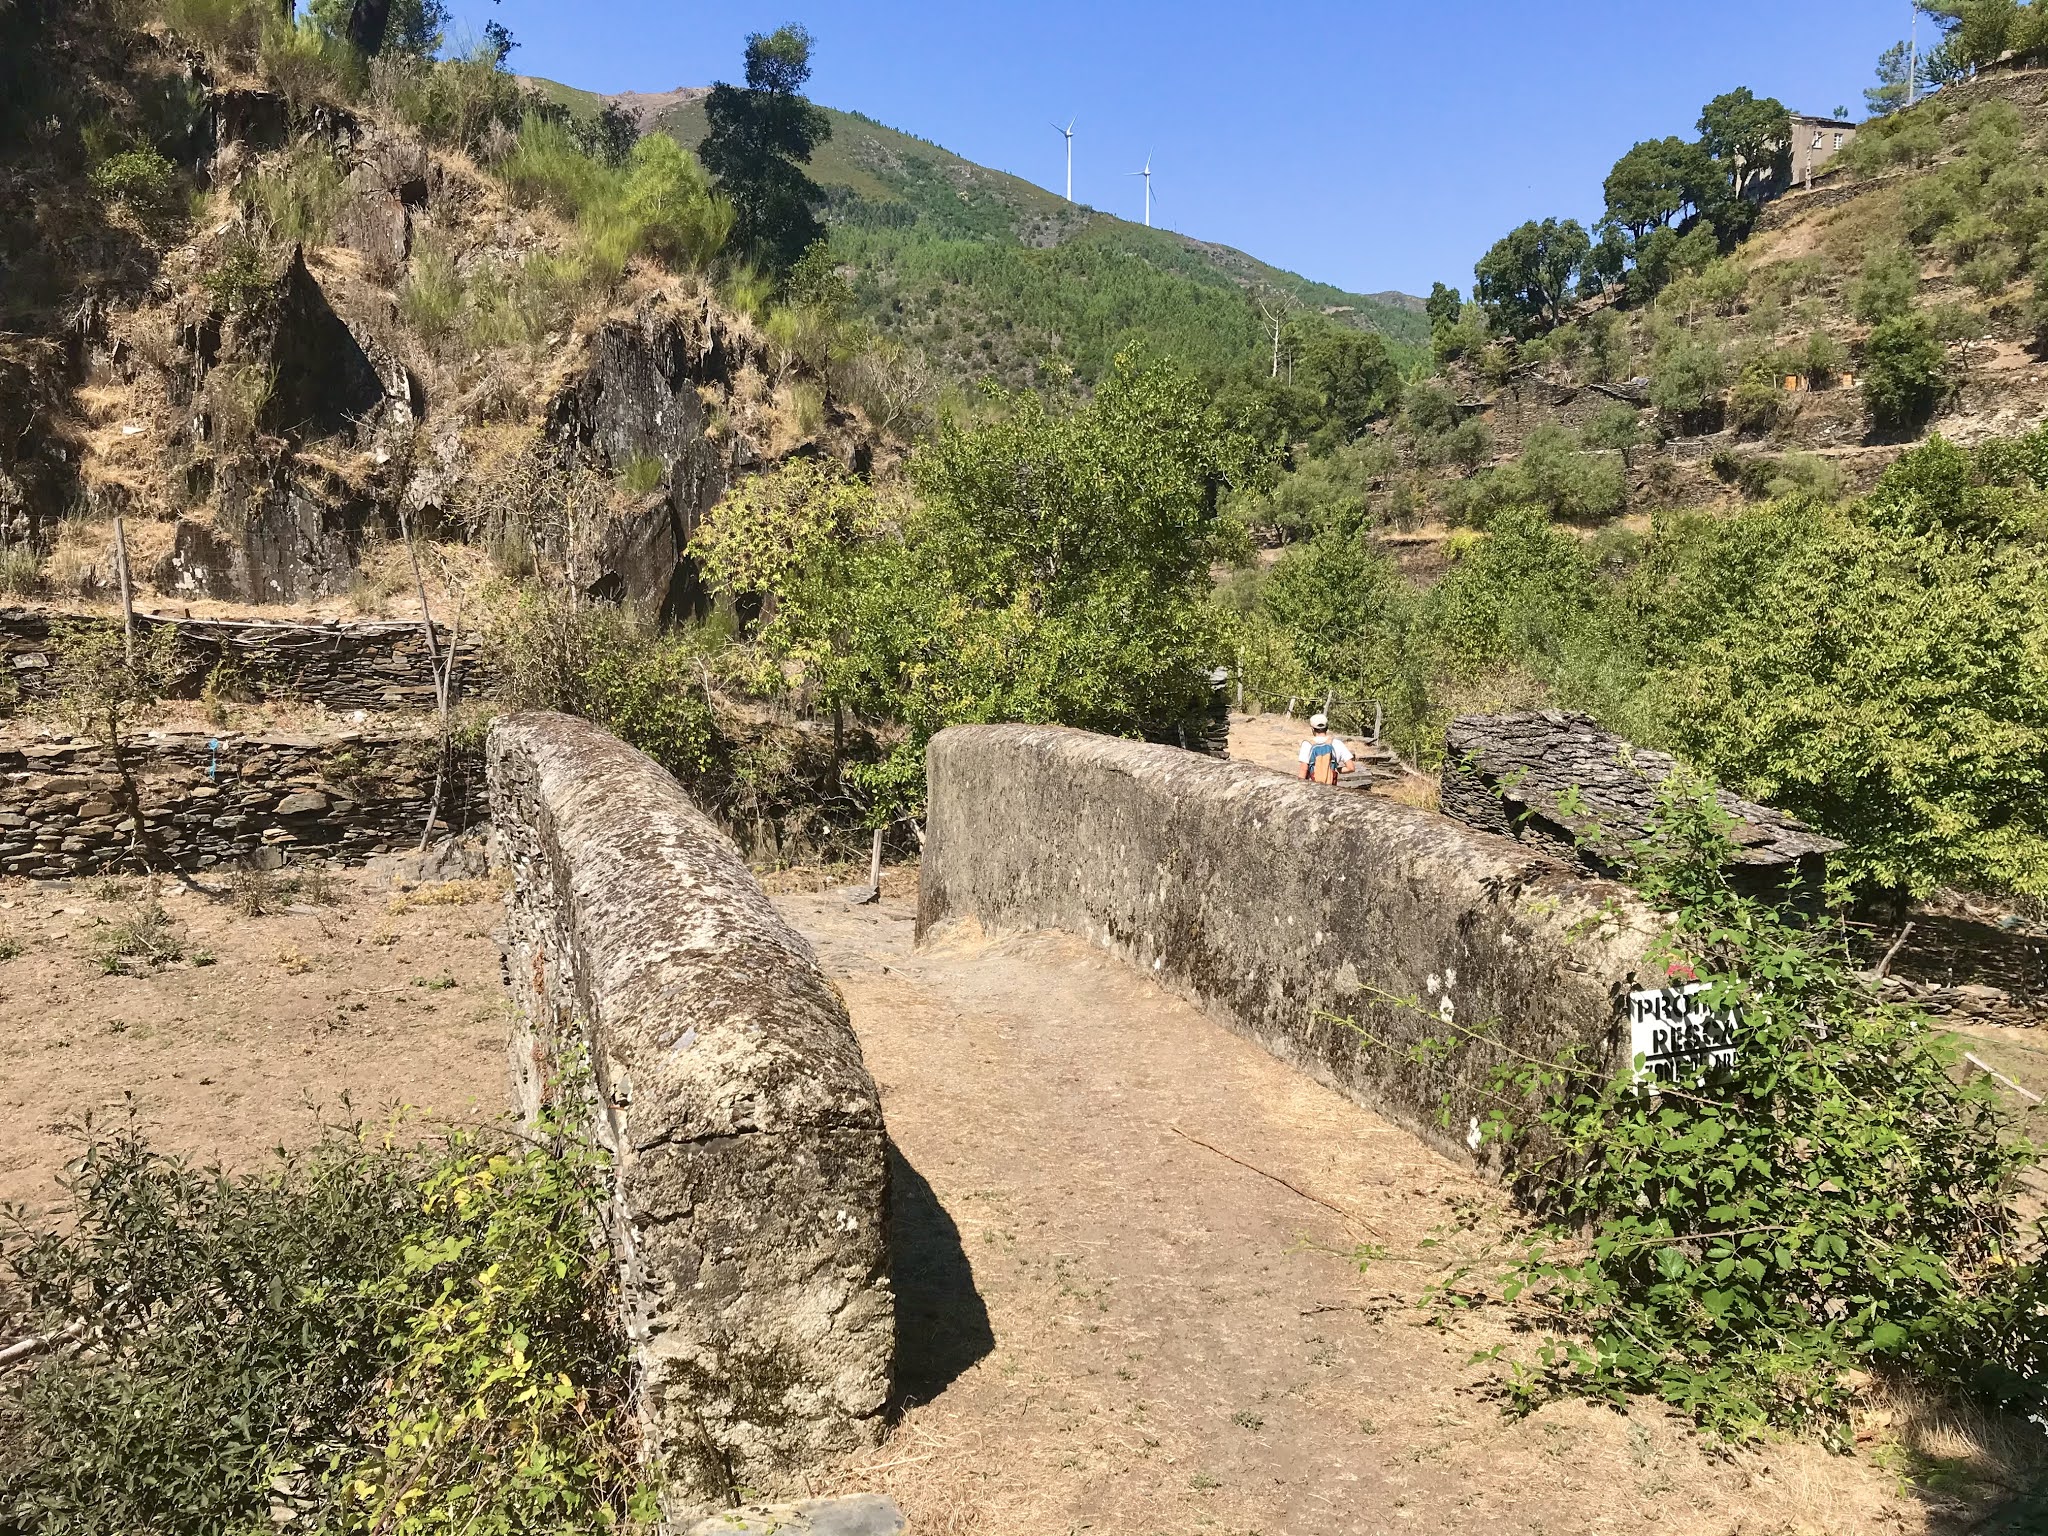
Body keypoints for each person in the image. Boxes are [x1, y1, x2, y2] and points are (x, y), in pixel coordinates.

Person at [1298, 713, 1356, 786]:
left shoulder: (1307, 744)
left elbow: (1304, 769)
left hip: (1312, 788)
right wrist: (1335, 769)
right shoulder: (1337, 743)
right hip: (1330, 789)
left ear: (1312, 729)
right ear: (1327, 728)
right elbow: (1351, 768)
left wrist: (1300, 787)